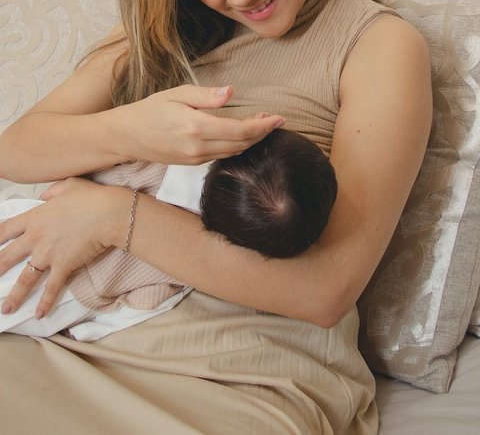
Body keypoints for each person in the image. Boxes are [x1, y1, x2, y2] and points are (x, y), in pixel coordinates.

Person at [0, 0, 432, 434]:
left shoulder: (376, 45)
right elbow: (17, 148)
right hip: (80, 335)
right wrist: (137, 128)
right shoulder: (162, 33)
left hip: (240, 369)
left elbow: (324, 290)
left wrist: (116, 217)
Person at [0, 128, 337, 338]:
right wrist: (87, 331)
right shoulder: (180, 265)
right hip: (57, 303)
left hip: (35, 224)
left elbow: (83, 169)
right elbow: (142, 304)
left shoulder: (158, 156)